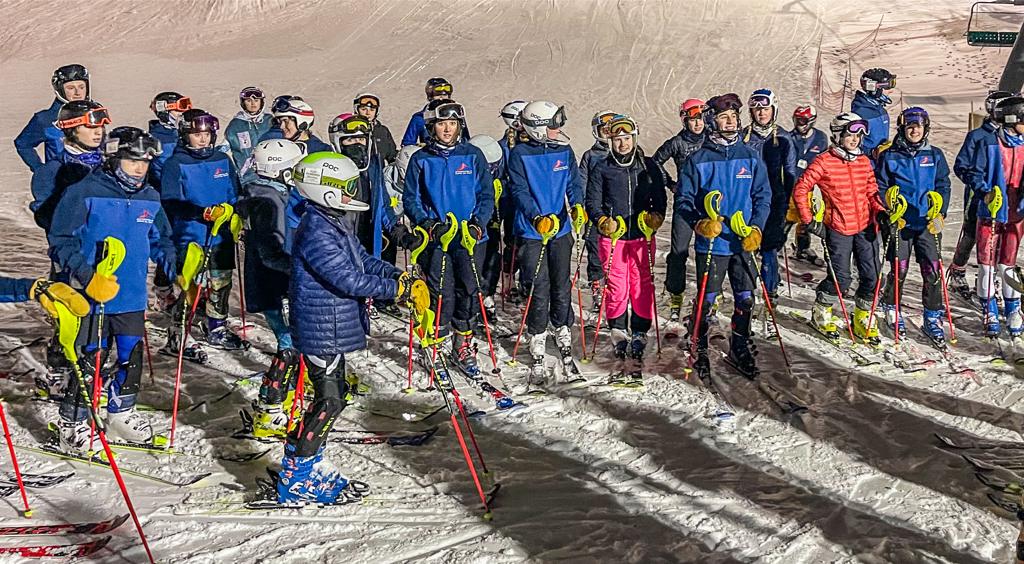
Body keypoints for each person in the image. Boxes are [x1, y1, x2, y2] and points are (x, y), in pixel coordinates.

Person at [278, 151, 425, 503]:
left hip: (330, 323)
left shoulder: (332, 221)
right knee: (329, 400)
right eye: (344, 187)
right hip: (319, 324)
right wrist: (396, 291)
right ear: (324, 189)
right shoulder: (316, 230)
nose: (350, 193)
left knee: (333, 394)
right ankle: (297, 475)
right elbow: (348, 279)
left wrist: (395, 275)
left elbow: (363, 260)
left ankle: (307, 462)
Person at [48, 126, 175, 452]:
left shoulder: (150, 196)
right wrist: (88, 276)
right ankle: (72, 422)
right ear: (114, 158)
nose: (139, 169)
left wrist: (176, 264)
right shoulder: (84, 192)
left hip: (131, 295)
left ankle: (120, 412)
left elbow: (162, 239)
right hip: (91, 296)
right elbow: (61, 241)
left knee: (131, 356)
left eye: (145, 163)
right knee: (90, 359)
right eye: (132, 161)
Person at [677, 94, 770, 377]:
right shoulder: (698, 159)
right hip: (713, 243)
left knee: (745, 297)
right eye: (723, 118)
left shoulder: (750, 156)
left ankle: (739, 342)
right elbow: (684, 200)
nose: (730, 122)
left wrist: (756, 228)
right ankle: (698, 343)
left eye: (733, 117)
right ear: (711, 122)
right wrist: (699, 224)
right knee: (708, 298)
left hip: (741, 242)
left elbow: (763, 196)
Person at [403, 100, 494, 379]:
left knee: (468, 290)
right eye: (442, 124)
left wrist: (478, 225)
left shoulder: (473, 155)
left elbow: (486, 195)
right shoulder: (421, 159)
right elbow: (411, 199)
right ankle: (435, 344)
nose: (447, 129)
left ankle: (462, 344)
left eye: (452, 124)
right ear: (431, 127)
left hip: (469, 238)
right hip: (438, 238)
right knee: (440, 291)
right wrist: (429, 225)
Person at [587, 114, 668, 384]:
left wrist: (655, 217)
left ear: (634, 137)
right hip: (615, 237)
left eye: (626, 138)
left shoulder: (648, 166)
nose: (622, 143)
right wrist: (601, 221)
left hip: (642, 235)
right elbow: (593, 201)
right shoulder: (603, 167)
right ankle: (619, 332)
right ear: (611, 141)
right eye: (617, 139)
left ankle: (640, 331)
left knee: (641, 285)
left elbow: (660, 197)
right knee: (617, 286)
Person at [507, 101, 585, 383]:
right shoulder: (519, 154)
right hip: (533, 230)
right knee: (538, 285)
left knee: (561, 282)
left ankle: (563, 327)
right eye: (553, 125)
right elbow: (519, 189)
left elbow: (573, 184)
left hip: (561, 229)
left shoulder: (564, 150)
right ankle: (537, 333)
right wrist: (536, 216)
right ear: (538, 128)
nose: (558, 129)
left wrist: (577, 206)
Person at [159, 109, 245, 356]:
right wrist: (202, 213)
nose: (203, 139)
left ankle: (216, 325)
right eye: (197, 134)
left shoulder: (222, 159)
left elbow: (235, 191)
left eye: (207, 134)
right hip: (191, 235)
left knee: (220, 282)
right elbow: (171, 201)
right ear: (185, 135)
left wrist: (236, 212)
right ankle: (178, 334)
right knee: (192, 287)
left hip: (221, 234)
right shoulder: (176, 164)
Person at [793, 113, 886, 343]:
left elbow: (872, 192)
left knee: (872, 276)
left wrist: (881, 212)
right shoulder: (824, 161)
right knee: (841, 278)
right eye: (850, 135)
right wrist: (809, 220)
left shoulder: (863, 161)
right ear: (838, 135)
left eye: (858, 135)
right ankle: (822, 312)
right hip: (838, 228)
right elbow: (801, 188)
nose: (855, 140)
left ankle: (862, 316)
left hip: (866, 228)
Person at [236, 139, 305, 438]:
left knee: (291, 344)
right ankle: (269, 409)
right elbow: (271, 251)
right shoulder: (269, 201)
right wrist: (299, 270)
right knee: (289, 347)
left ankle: (283, 396)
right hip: (275, 283)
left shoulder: (266, 194)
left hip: (269, 282)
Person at [874, 107, 952, 347]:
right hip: (901, 222)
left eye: (918, 126)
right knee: (900, 268)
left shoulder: (935, 155)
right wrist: (889, 207)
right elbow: (880, 185)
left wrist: (940, 212)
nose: (914, 130)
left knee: (933, 271)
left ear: (925, 128)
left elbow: (943, 184)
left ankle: (932, 316)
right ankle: (892, 307)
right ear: (903, 128)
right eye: (910, 126)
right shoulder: (890, 156)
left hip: (927, 222)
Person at [948, 90, 1016, 301]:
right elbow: (962, 165)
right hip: (981, 195)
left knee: (1001, 238)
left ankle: (988, 277)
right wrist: (980, 186)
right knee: (971, 233)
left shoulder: (1014, 136)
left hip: (1006, 197)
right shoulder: (979, 136)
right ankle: (958, 270)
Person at [965, 95, 1024, 338]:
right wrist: (985, 191)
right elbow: (971, 170)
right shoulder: (990, 142)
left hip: (1016, 212)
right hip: (991, 211)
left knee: (1008, 263)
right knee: (987, 264)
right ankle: (988, 307)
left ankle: (1012, 308)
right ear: (1012, 119)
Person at [741, 88, 798, 318]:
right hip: (747, 201)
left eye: (765, 109)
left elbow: (791, 172)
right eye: (756, 109)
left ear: (773, 109)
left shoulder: (783, 137)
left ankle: (771, 290)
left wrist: (790, 203)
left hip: (775, 201)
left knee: (769, 249)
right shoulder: (743, 136)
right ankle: (746, 291)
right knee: (747, 248)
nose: (761, 113)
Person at [655, 99, 708, 322]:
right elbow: (655, 162)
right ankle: (675, 294)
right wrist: (671, 183)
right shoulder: (677, 142)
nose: (698, 124)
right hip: (685, 204)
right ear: (685, 120)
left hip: (707, 204)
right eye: (693, 119)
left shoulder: (711, 139)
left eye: (701, 119)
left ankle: (708, 294)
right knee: (679, 252)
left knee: (707, 252)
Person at [30, 101, 109, 234]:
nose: (98, 132)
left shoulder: (111, 163)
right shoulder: (52, 170)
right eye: (89, 127)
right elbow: (48, 221)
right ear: (71, 129)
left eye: (101, 126)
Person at [15, 64, 90, 172]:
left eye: (81, 87)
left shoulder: (94, 113)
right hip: (61, 183)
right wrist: (40, 169)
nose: (78, 92)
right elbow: (23, 144)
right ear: (60, 89)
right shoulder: (45, 119)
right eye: (70, 88)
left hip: (93, 183)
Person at [579, 110, 618, 315]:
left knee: (618, 253)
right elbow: (582, 183)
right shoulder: (591, 156)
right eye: (605, 130)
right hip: (596, 213)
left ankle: (617, 288)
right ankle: (597, 286)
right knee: (595, 252)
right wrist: (583, 208)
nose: (608, 134)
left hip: (618, 213)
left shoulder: (623, 155)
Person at [468, 134, 505, 321]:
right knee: (472, 266)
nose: (491, 171)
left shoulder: (496, 178)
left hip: (490, 224)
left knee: (493, 259)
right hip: (472, 229)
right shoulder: (467, 176)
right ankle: (472, 304)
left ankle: (487, 295)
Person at [788, 105, 829, 263]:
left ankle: (803, 247)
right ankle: (773, 245)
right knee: (787, 218)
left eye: (803, 121)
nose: (800, 124)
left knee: (806, 219)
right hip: (791, 186)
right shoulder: (790, 137)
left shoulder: (820, 138)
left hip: (809, 187)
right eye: (797, 120)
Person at [498, 100, 530, 303]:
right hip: (510, 200)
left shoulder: (531, 143)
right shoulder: (504, 146)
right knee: (513, 242)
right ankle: (508, 281)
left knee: (528, 244)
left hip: (528, 200)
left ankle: (526, 283)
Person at [402, 78, 470, 147]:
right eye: (437, 95)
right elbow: (408, 145)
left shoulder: (457, 115)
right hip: (429, 155)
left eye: (445, 95)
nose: (442, 98)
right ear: (430, 97)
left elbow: (466, 140)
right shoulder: (420, 118)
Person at [225, 86, 273, 180]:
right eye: (248, 101)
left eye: (256, 100)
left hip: (271, 173)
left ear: (261, 102)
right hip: (248, 177)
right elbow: (226, 146)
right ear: (243, 103)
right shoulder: (236, 125)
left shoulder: (270, 121)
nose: (253, 104)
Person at [147, 92, 193, 186]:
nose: (182, 115)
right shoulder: (158, 140)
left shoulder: (187, 132)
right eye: (177, 111)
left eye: (184, 112)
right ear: (164, 113)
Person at [850, 67, 897, 158]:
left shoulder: (880, 109)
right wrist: (873, 152)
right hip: (867, 164)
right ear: (875, 89)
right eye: (887, 87)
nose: (891, 91)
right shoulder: (860, 113)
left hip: (881, 162)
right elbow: (852, 144)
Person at [262, 96, 332, 153]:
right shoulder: (277, 148)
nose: (281, 126)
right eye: (280, 122)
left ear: (301, 122)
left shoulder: (321, 151)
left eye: (285, 121)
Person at [353, 93, 398, 165]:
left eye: (372, 109)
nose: (368, 113)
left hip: (378, 174)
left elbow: (392, 155)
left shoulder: (382, 131)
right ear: (356, 109)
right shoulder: (351, 131)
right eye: (363, 109)